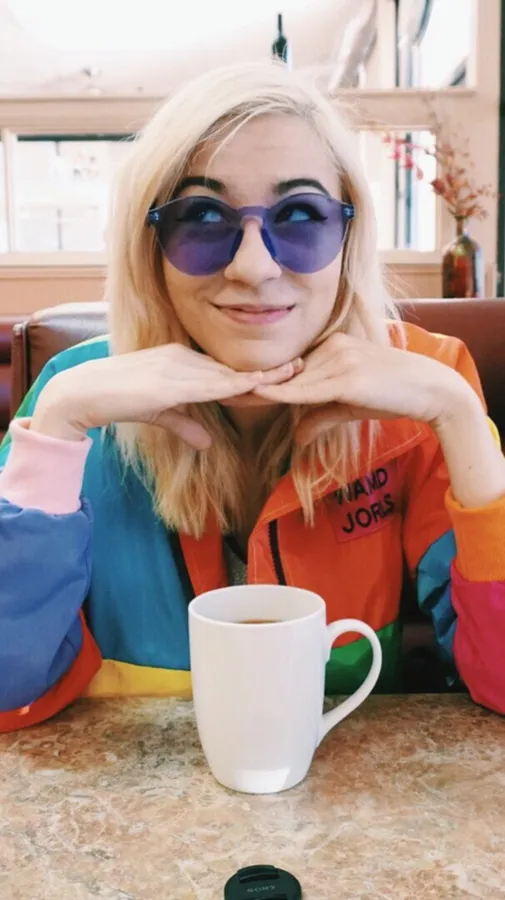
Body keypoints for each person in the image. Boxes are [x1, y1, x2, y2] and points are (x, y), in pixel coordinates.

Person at [1, 62, 505, 734]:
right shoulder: (72, 397)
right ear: (149, 247)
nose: (254, 266)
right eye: (202, 216)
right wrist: (57, 428)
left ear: (347, 239)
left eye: (299, 214)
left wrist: (458, 415)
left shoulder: (428, 383)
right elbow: (8, 688)